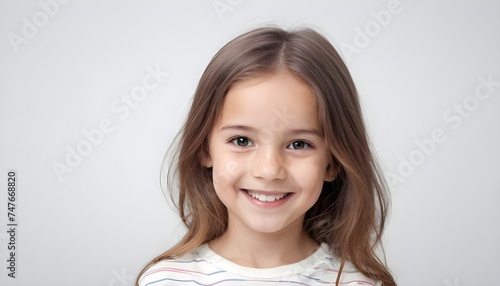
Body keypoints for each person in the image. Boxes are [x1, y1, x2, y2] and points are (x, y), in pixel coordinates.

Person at [136, 26, 396, 286]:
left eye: (298, 144)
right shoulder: (165, 281)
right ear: (205, 149)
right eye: (242, 141)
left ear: (333, 162)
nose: (269, 170)